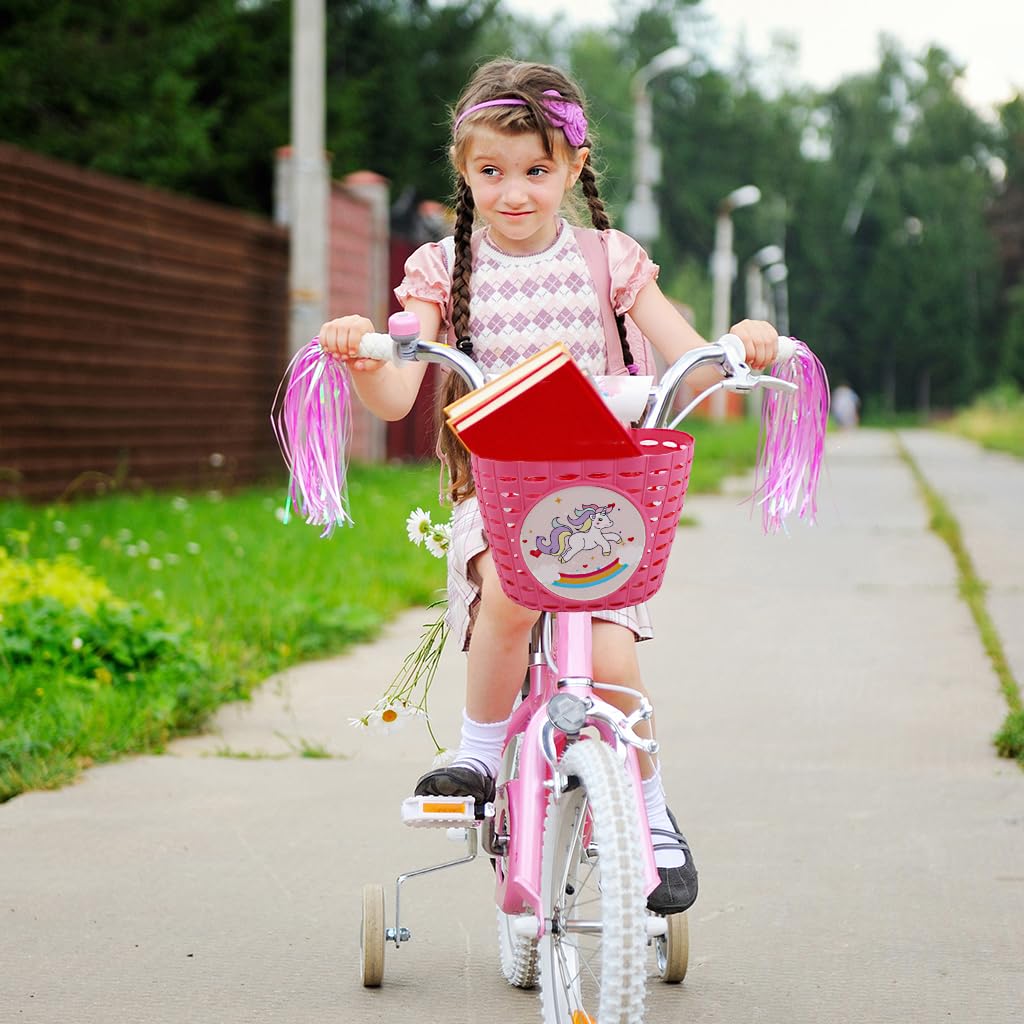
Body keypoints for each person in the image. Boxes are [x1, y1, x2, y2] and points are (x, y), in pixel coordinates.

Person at [318, 58, 780, 915]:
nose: (515, 193)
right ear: (465, 171)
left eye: (536, 170)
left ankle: (647, 813)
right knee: (510, 590)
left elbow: (689, 363)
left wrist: (741, 342)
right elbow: (393, 392)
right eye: (491, 172)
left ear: (573, 166)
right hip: (495, 498)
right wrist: (362, 357)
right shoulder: (439, 269)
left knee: (611, 660)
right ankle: (480, 752)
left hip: (604, 499)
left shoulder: (608, 259)